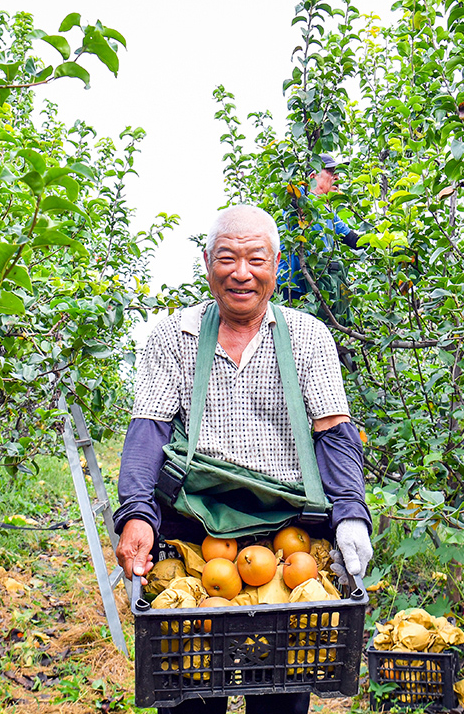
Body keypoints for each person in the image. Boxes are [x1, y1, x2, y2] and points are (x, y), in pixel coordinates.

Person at [114, 204, 372, 714]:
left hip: (287, 535)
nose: (241, 272)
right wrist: (137, 513)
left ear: (276, 264)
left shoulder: (308, 337)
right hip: (195, 531)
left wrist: (350, 516)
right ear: (207, 261)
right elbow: (149, 429)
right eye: (227, 258)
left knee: (281, 688)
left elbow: (334, 432)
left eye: (256, 259)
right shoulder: (173, 336)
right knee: (188, 687)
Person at [277, 153, 363, 305]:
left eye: (337, 173)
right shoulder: (301, 196)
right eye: (331, 172)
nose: (336, 177)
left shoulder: (330, 214)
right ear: (312, 175)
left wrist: (385, 244)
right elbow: (291, 199)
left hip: (314, 287)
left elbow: (353, 240)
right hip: (291, 287)